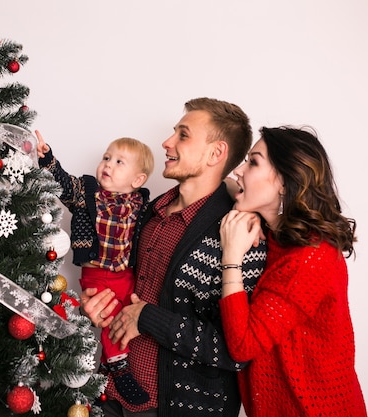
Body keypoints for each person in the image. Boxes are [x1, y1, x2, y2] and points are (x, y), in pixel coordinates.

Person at [81, 97, 267, 417]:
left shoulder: (241, 234)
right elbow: (123, 285)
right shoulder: (147, 212)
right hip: (106, 393)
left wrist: (148, 318)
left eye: (183, 134)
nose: (166, 143)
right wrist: (99, 304)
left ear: (216, 153)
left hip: (168, 408)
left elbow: (236, 352)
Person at [219, 126, 367, 416]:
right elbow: (224, 182)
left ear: (284, 183)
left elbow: (243, 344)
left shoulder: (310, 258)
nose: (238, 171)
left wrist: (232, 256)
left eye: (253, 162)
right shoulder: (280, 236)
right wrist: (250, 209)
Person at [35, 130, 155, 405]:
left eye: (119, 162)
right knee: (109, 316)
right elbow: (63, 183)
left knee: (128, 317)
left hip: (126, 274)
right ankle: (117, 366)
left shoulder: (141, 203)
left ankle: (111, 362)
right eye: (106, 158)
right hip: (97, 273)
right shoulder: (87, 192)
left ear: (137, 180)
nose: (108, 165)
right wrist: (48, 159)